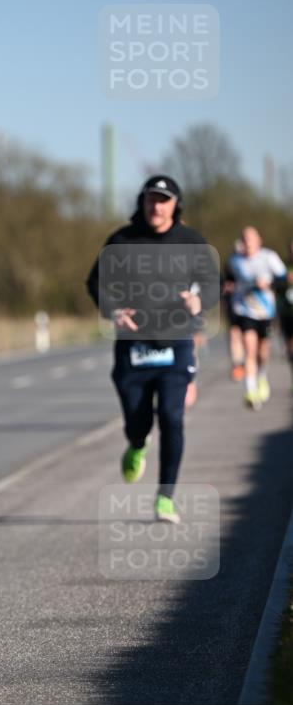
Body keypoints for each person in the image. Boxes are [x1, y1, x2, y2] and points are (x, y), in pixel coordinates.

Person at [86, 175, 218, 524]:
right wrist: (113, 310)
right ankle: (137, 442)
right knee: (137, 422)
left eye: (163, 200)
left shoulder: (191, 242)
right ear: (142, 202)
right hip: (133, 348)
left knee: (172, 418)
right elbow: (96, 283)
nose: (156, 206)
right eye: (151, 199)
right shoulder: (122, 240)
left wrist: (199, 301)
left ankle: (165, 497)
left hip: (176, 344)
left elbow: (212, 283)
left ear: (175, 205)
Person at [225, 226, 287, 409]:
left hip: (265, 311)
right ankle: (250, 390)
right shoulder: (235, 260)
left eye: (251, 239)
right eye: (244, 239)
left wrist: (268, 283)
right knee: (249, 348)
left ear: (259, 240)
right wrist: (228, 286)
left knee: (262, 352)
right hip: (244, 310)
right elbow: (228, 279)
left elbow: (283, 279)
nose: (248, 243)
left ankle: (261, 376)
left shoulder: (269, 257)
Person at [222, 239, 246, 381]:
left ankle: (247, 362)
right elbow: (224, 285)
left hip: (251, 309)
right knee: (234, 335)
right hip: (233, 306)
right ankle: (237, 365)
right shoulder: (230, 264)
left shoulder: (251, 265)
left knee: (247, 338)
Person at [277, 239, 293, 392]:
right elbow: (274, 285)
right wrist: (284, 281)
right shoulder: (282, 267)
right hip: (287, 313)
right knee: (290, 348)